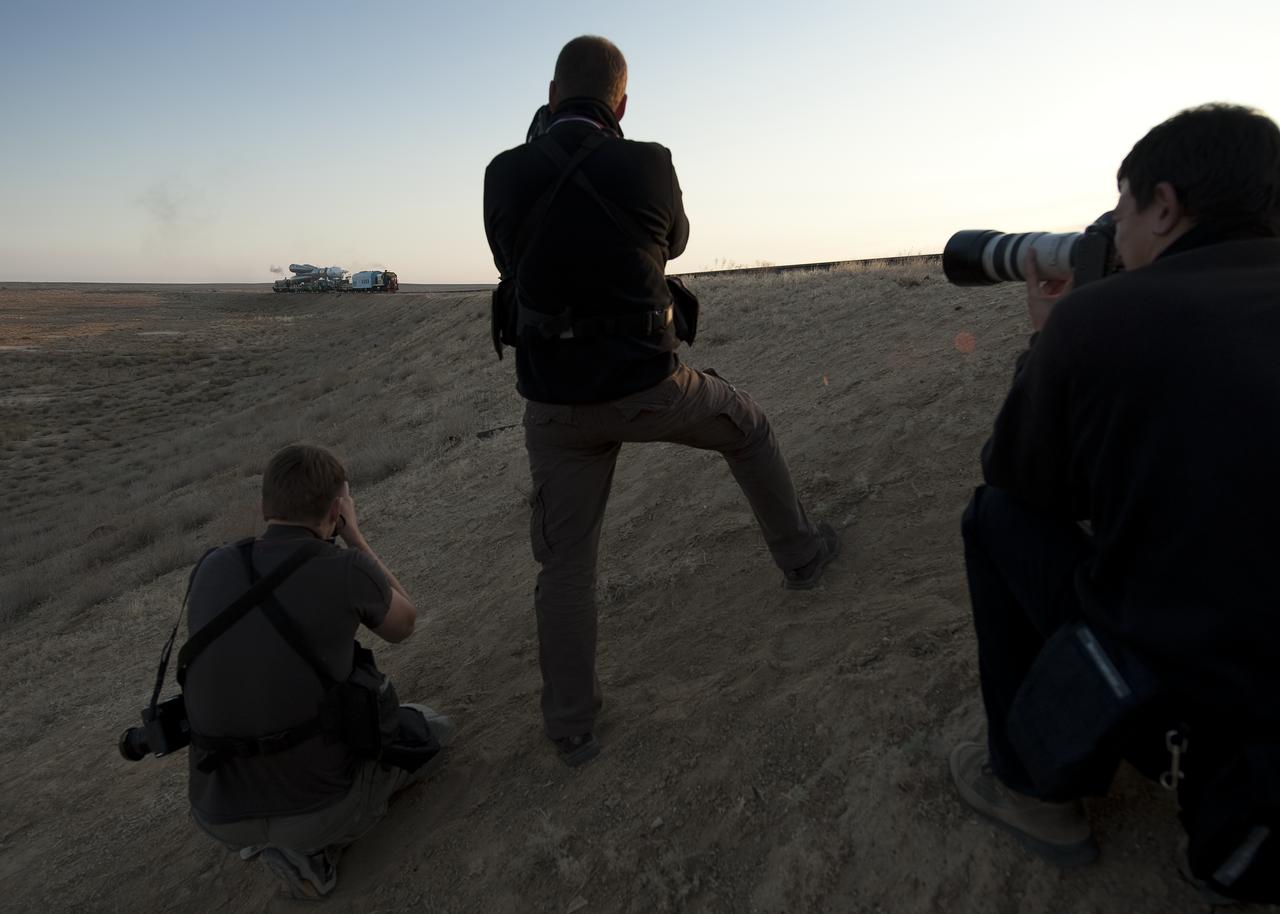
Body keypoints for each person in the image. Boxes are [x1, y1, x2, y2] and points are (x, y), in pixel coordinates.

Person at [951, 104, 1280, 903]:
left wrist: (1049, 337)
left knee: (992, 517)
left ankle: (1033, 788)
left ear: (1163, 205)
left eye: (1124, 208)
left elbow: (1022, 480)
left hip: (1220, 709)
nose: (1118, 236)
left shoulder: (1100, 318)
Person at [483, 35, 838, 766]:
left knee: (566, 564)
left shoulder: (503, 172)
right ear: (622, 103)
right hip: (651, 387)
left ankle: (572, 726)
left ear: (550, 96)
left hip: (555, 406)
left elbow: (508, 260)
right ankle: (801, 556)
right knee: (747, 425)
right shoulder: (650, 162)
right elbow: (672, 241)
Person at [182, 444, 454, 899]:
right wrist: (357, 540)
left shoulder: (212, 566)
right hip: (317, 805)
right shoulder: (344, 567)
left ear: (264, 506)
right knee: (433, 733)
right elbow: (404, 624)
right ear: (336, 509)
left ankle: (260, 836)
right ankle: (307, 849)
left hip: (216, 811)